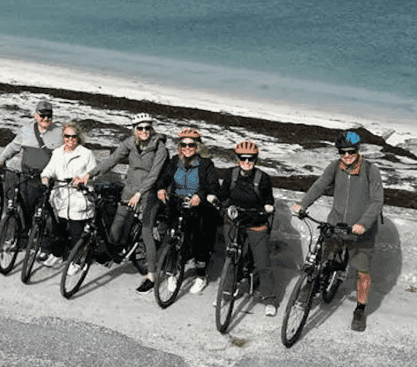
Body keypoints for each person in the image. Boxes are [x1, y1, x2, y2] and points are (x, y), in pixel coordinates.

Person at [292, 130, 384, 332]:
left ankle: (360, 309)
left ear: (357, 150)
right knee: (321, 259)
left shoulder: (370, 170)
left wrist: (363, 224)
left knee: (362, 272)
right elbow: (319, 186)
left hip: (361, 232)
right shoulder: (335, 167)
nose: (347, 156)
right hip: (336, 226)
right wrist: (303, 204)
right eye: (342, 152)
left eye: (350, 152)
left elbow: (377, 201)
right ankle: (312, 285)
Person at [81, 112, 168, 293]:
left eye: (147, 127)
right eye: (140, 128)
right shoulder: (130, 143)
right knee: (117, 224)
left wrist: (140, 193)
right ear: (134, 130)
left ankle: (151, 276)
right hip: (129, 190)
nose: (144, 131)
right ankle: (114, 254)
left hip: (148, 194)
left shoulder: (160, 149)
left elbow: (154, 175)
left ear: (151, 129)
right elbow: (111, 160)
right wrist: (90, 174)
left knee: (146, 232)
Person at [155, 128, 221, 294]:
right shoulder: (175, 160)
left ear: (197, 147)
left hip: (197, 208)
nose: (187, 147)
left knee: (200, 243)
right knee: (175, 238)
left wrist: (200, 195)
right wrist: (161, 188)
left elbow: (213, 186)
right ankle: (173, 271)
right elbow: (164, 177)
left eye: (191, 144)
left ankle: (201, 275)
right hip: (177, 204)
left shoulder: (206, 164)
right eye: (183, 144)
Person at [218, 140, 278, 315]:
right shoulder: (231, 174)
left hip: (256, 221)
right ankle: (227, 292)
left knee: (262, 262)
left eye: (251, 159)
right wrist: (216, 199)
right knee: (232, 255)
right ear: (237, 159)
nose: (246, 162)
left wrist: (268, 207)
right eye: (243, 158)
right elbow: (223, 194)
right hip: (234, 219)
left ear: (256, 159)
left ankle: (270, 299)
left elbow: (268, 199)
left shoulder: (263, 178)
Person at [38, 121, 97, 270]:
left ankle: (77, 261)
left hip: (79, 198)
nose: (70, 140)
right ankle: (58, 255)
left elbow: (94, 174)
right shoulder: (57, 152)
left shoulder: (86, 154)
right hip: (61, 196)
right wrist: (45, 178)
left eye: (73, 136)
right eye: (67, 136)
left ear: (78, 137)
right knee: (58, 229)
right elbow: (49, 169)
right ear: (63, 136)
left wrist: (82, 179)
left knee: (77, 233)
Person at [0, 100, 59, 214]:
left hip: (48, 179)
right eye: (42, 115)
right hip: (27, 177)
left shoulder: (59, 132)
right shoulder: (26, 130)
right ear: (36, 115)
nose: (46, 118)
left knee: (46, 211)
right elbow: (12, 147)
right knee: (25, 209)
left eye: (49, 115)